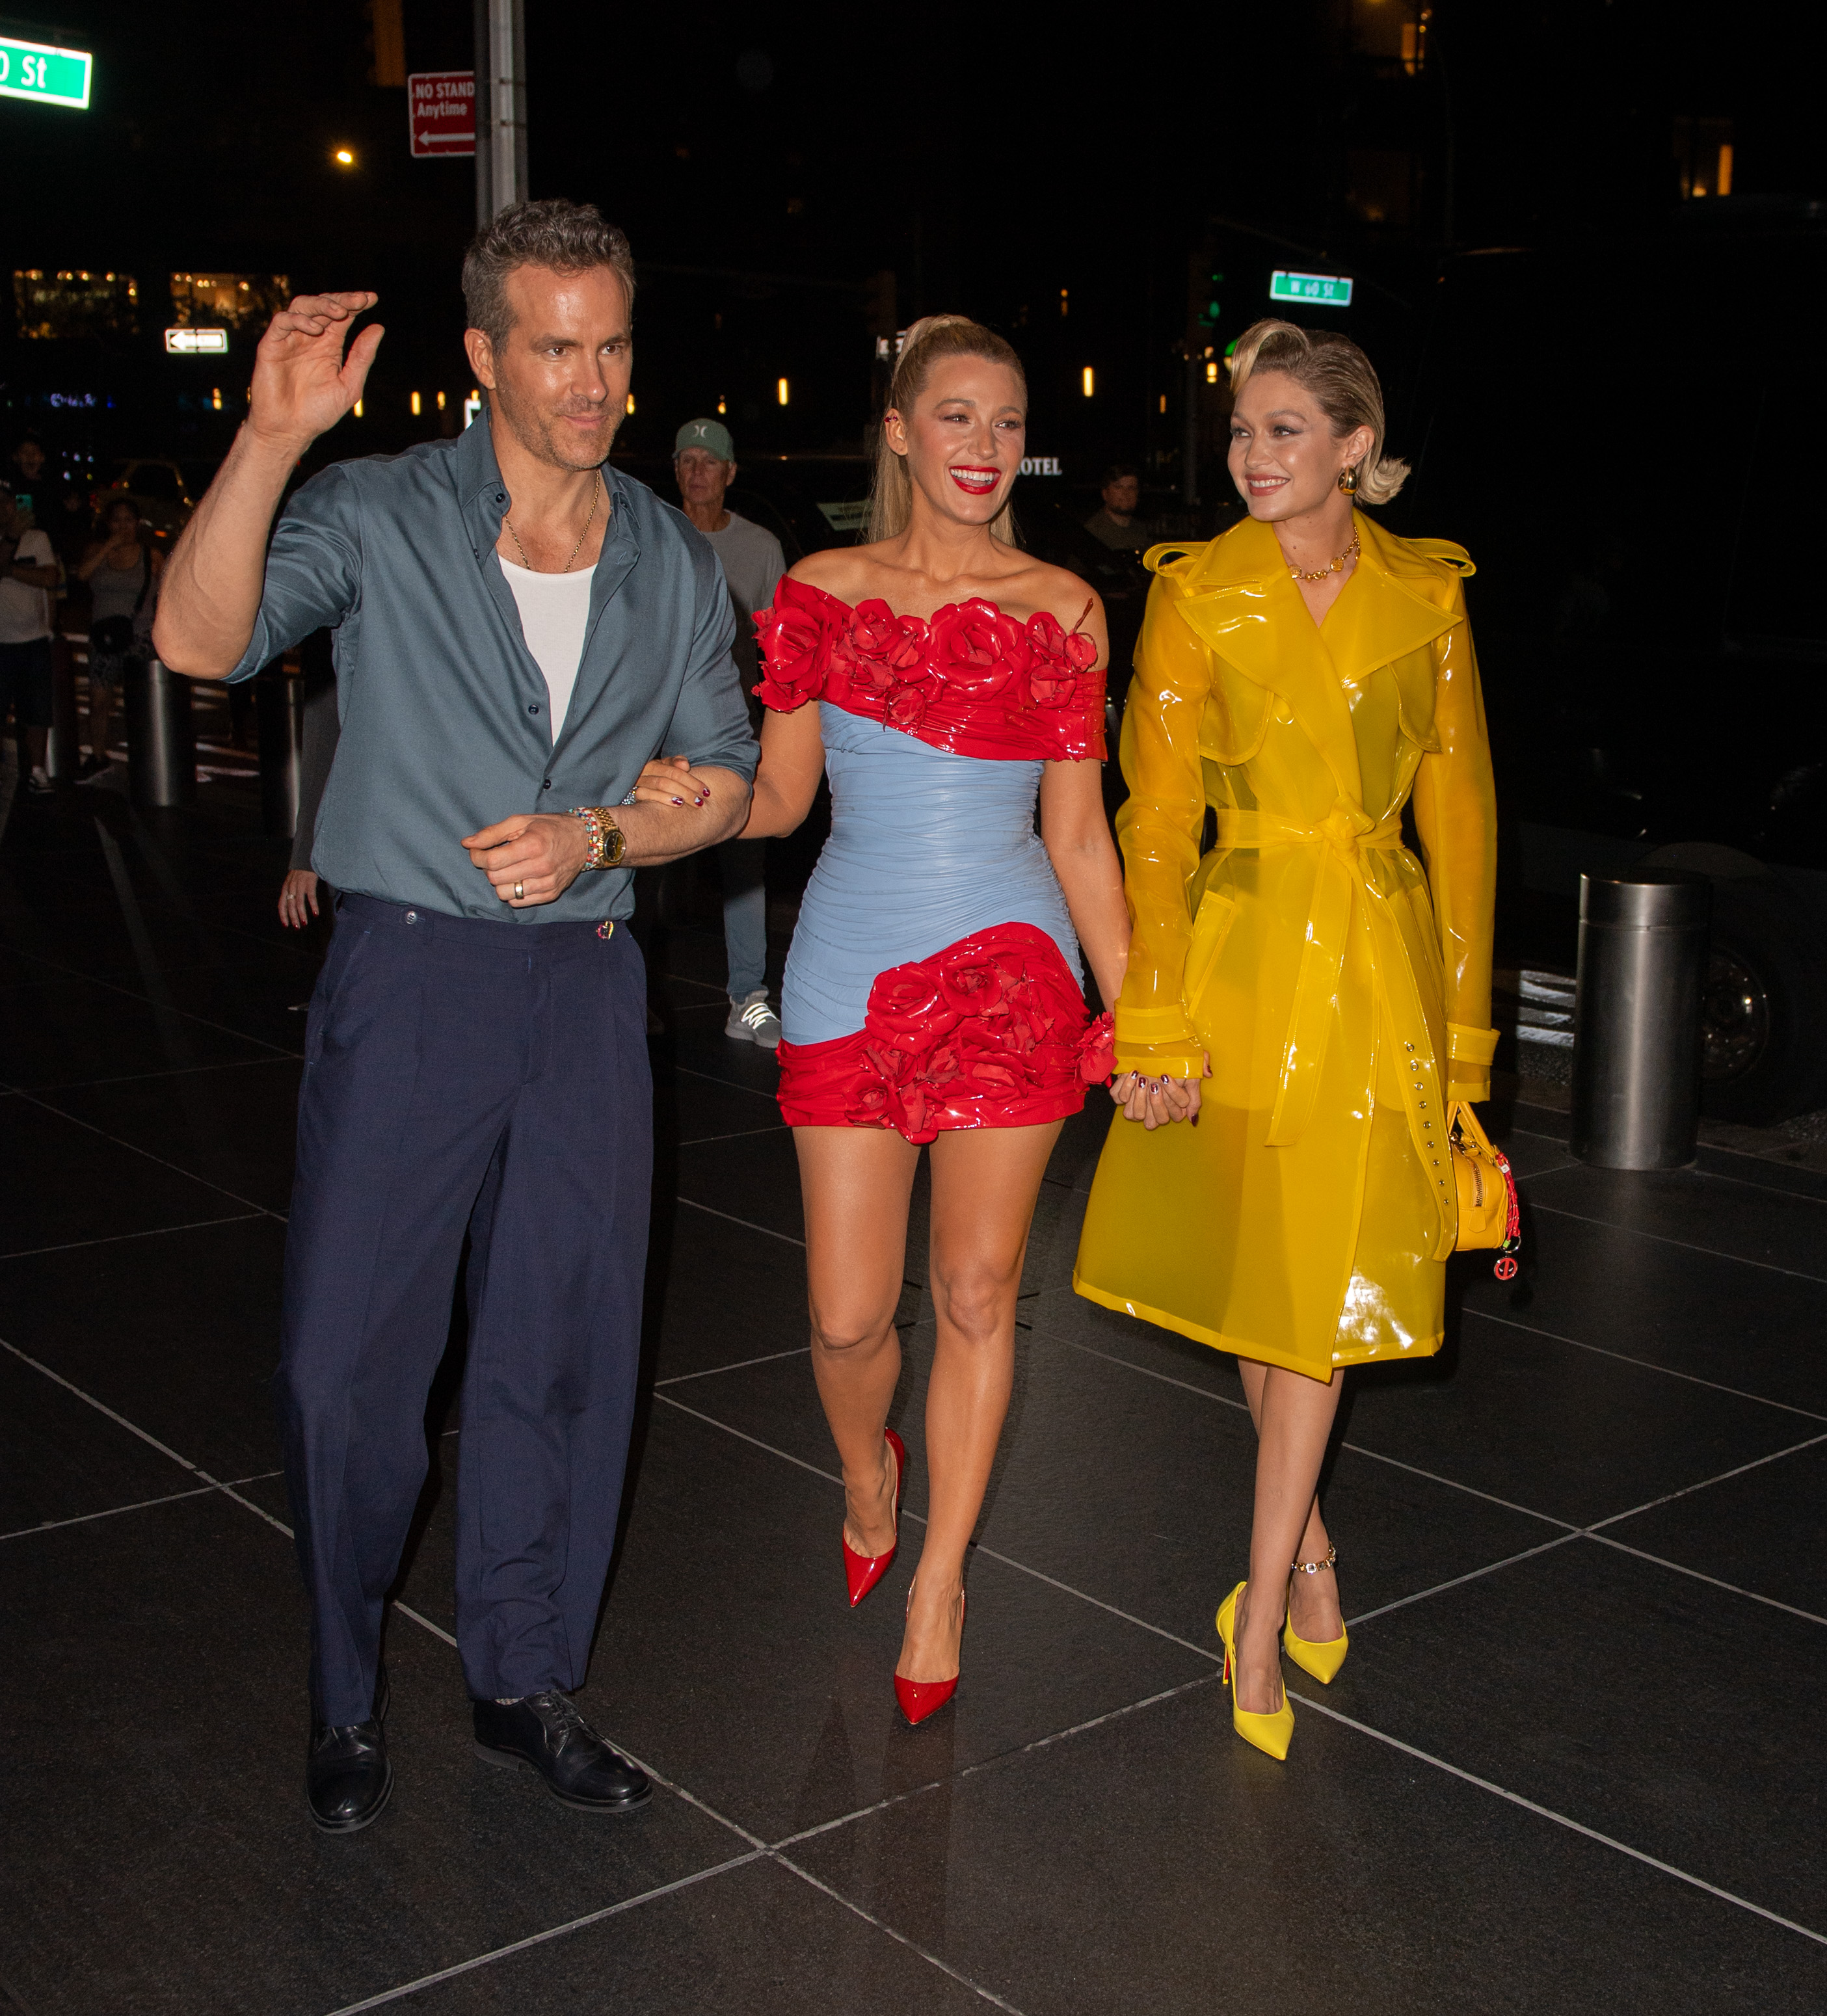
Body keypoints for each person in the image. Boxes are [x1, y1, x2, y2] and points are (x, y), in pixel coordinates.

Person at [152, 200, 758, 1834]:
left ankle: (523, 1672)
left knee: (563, 1350)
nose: (592, 378)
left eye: (613, 341)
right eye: (555, 345)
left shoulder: (664, 552)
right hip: (411, 973)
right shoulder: (379, 511)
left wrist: (607, 836)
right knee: (346, 1365)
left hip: (584, 981)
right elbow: (197, 637)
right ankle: (344, 1685)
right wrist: (269, 437)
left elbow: (734, 779)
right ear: (486, 353)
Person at [639, 316, 1127, 1722]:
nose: (984, 446)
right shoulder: (822, 587)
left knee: (978, 1292)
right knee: (848, 1317)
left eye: (1006, 419)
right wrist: (691, 802)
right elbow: (784, 798)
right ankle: (869, 1472)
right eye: (956, 416)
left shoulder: (1067, 605)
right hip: (849, 968)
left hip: (1020, 972)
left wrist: (1140, 1012)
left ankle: (943, 1578)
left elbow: (1082, 837)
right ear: (901, 432)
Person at [1073, 319, 1497, 1760]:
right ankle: (1307, 1544)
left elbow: (1467, 828)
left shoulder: (1430, 601)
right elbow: (1154, 823)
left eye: (1284, 432)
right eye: (1241, 432)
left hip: (1373, 962)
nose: (1251, 456)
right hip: (1242, 958)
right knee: (1269, 1281)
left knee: (1312, 1293)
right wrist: (1156, 1011)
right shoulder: (1196, 596)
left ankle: (1259, 1610)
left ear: (1355, 450)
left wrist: (1465, 1043)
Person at [672, 416, 786, 1045]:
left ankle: (747, 996)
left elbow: (781, 649)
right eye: (686, 461)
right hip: (658, 731)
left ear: (729, 473)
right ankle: (626, 996)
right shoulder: (650, 533)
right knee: (639, 858)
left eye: (708, 462)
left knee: (745, 855)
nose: (697, 472)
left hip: (733, 727)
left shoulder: (761, 548)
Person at [75, 496, 161, 778]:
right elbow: (83, 575)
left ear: (137, 523)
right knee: (99, 700)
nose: (122, 526)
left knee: (142, 701)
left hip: (140, 636)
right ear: (108, 524)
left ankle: (150, 758)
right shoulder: (96, 550)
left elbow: (166, 595)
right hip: (105, 637)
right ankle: (97, 755)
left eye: (128, 520)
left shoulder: (151, 556)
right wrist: (106, 549)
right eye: (116, 520)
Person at [0, 484, 62, 793]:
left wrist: (9, 570)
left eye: (8, 502)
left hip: (33, 638)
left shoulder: (37, 538)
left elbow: (50, 578)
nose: (4, 509)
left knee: (37, 710)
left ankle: (38, 770)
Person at [1083, 464, 1146, 550]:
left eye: (1131, 488)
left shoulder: (1141, 530)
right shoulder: (1093, 533)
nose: (1126, 493)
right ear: (1105, 494)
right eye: (1119, 487)